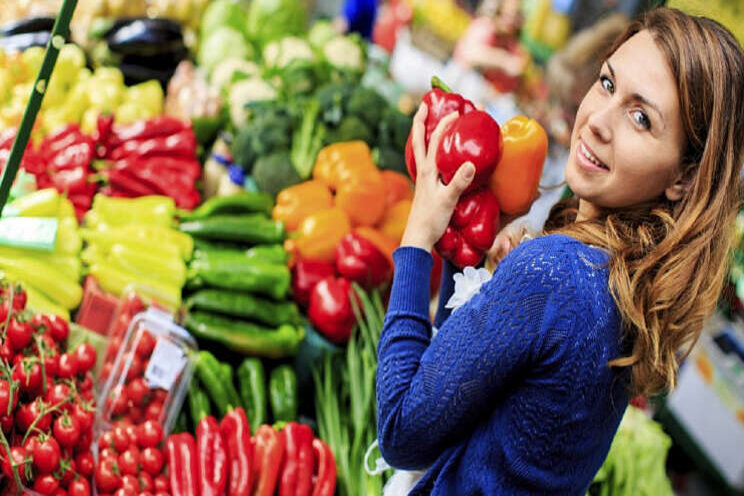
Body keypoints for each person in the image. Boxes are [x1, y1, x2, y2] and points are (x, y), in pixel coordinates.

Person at [376, 7, 744, 495]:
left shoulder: (554, 273)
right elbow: (459, 392)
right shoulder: (628, 284)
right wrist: (468, 256)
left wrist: (416, 240)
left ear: (684, 177)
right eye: (608, 83)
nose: (597, 122)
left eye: (641, 118)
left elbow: (402, 432)